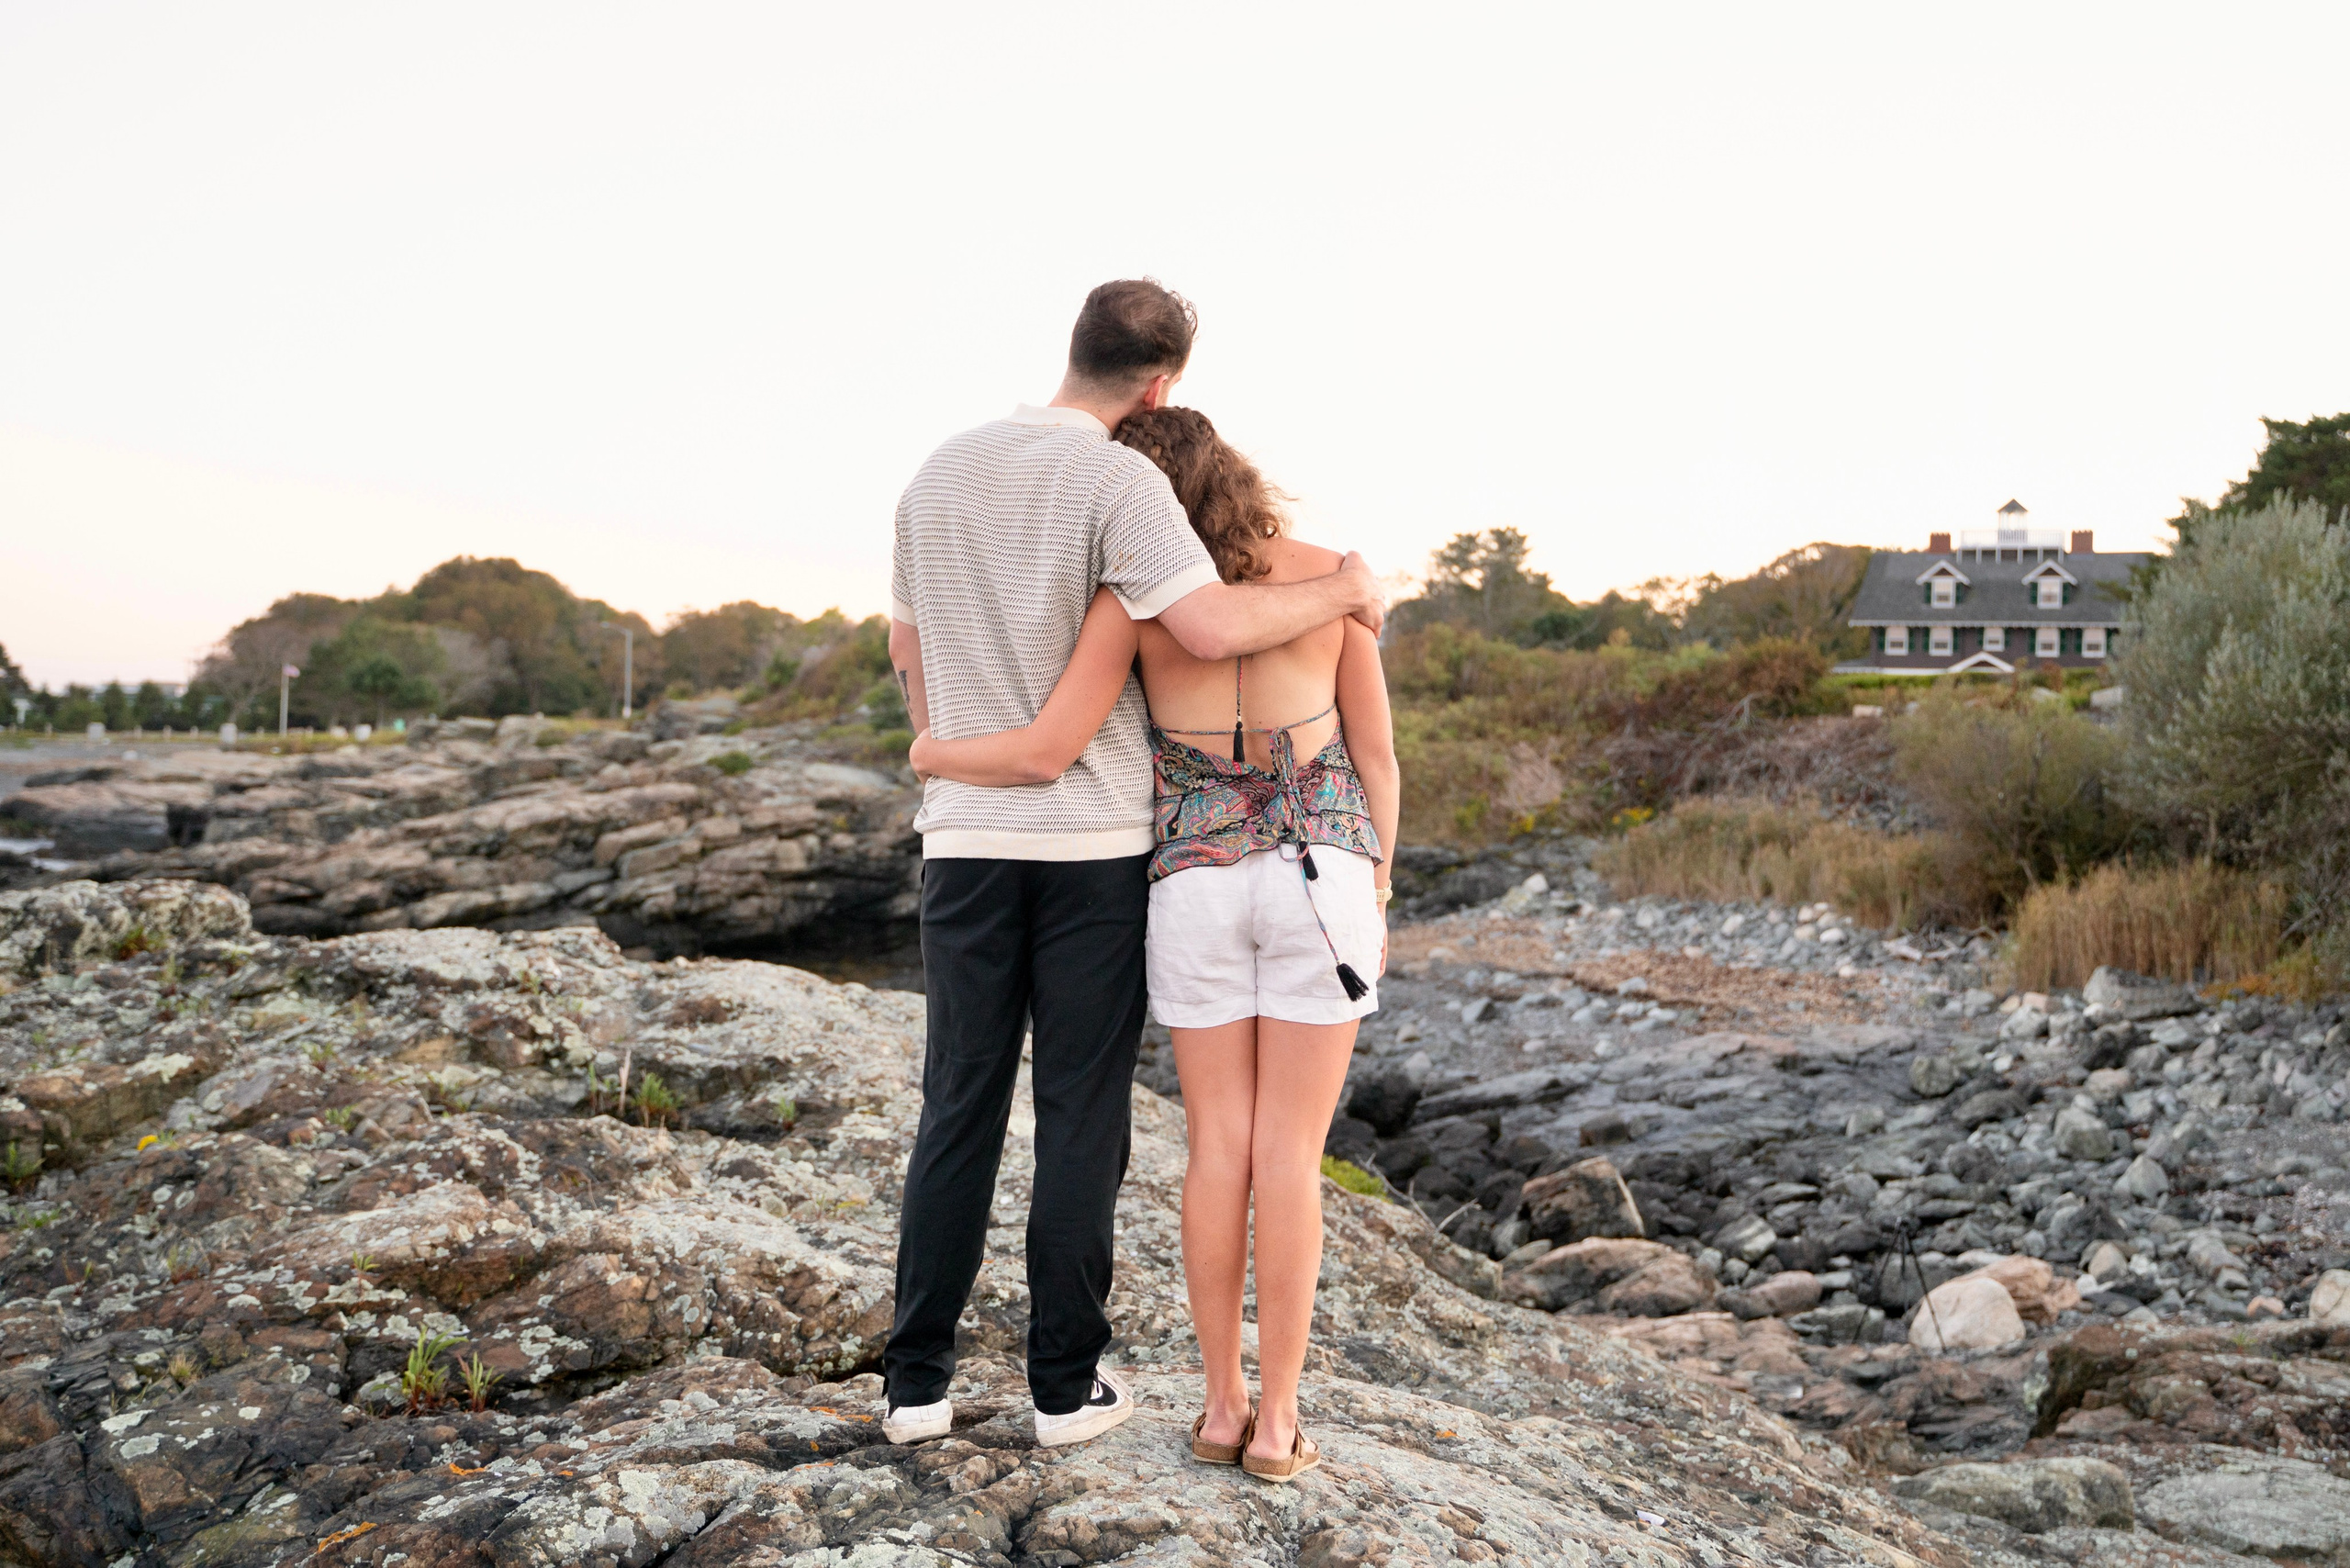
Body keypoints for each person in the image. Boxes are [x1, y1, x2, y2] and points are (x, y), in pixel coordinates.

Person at [881, 280, 1385, 1451]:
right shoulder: (1123, 481)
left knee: (956, 1102)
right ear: (1161, 385)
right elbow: (1209, 626)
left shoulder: (935, 472)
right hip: (1096, 844)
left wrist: (941, 744)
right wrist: (1352, 588)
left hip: (963, 837)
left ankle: (915, 1388)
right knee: (1078, 1114)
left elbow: (907, 649)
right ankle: (1064, 1389)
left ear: (1073, 348)